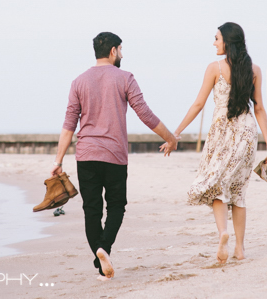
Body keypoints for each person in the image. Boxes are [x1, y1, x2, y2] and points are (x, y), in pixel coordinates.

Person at [52, 32, 178, 281]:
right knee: (117, 207)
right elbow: (146, 115)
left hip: (86, 155)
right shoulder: (125, 78)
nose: (122, 54)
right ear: (112, 51)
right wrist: (171, 138)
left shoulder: (78, 82)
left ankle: (101, 259)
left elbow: (68, 125)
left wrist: (57, 161)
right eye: (121, 49)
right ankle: (104, 249)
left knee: (92, 211)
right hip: (114, 156)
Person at [166, 22, 267, 264]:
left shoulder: (214, 68)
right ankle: (240, 249)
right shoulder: (254, 70)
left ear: (228, 41)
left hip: (221, 133)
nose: (214, 43)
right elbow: (259, 108)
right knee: (239, 192)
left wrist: (176, 132)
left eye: (216, 38)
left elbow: (198, 104)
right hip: (247, 134)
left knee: (216, 185)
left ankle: (223, 232)